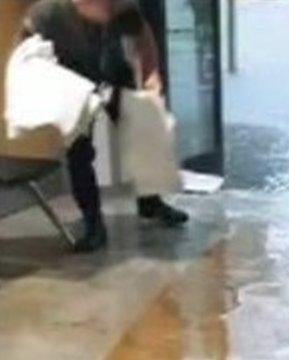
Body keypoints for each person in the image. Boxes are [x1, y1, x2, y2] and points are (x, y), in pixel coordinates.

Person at [19, 0, 189, 252]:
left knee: (140, 129)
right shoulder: (48, 11)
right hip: (72, 81)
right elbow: (25, 41)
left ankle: (150, 202)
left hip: (111, 71)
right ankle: (93, 226)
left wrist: (152, 76)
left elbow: (142, 33)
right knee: (79, 152)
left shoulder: (118, 6)